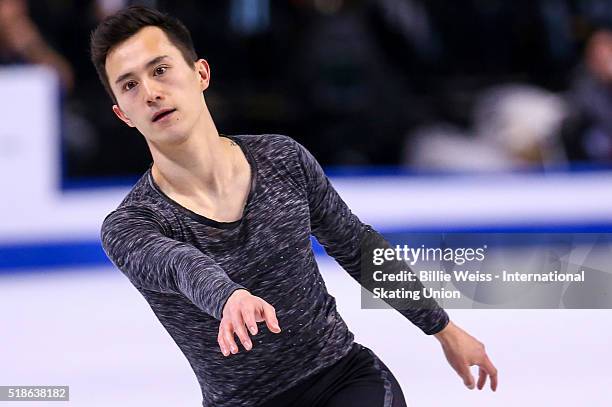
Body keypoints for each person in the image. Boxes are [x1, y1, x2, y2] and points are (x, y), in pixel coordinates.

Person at [92, 6, 498, 407]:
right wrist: (228, 297)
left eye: (160, 70)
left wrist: (443, 327)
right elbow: (180, 264)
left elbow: (356, 246)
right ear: (122, 114)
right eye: (129, 85)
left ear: (201, 73)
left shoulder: (282, 159)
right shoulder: (130, 226)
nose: (150, 92)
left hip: (343, 379)